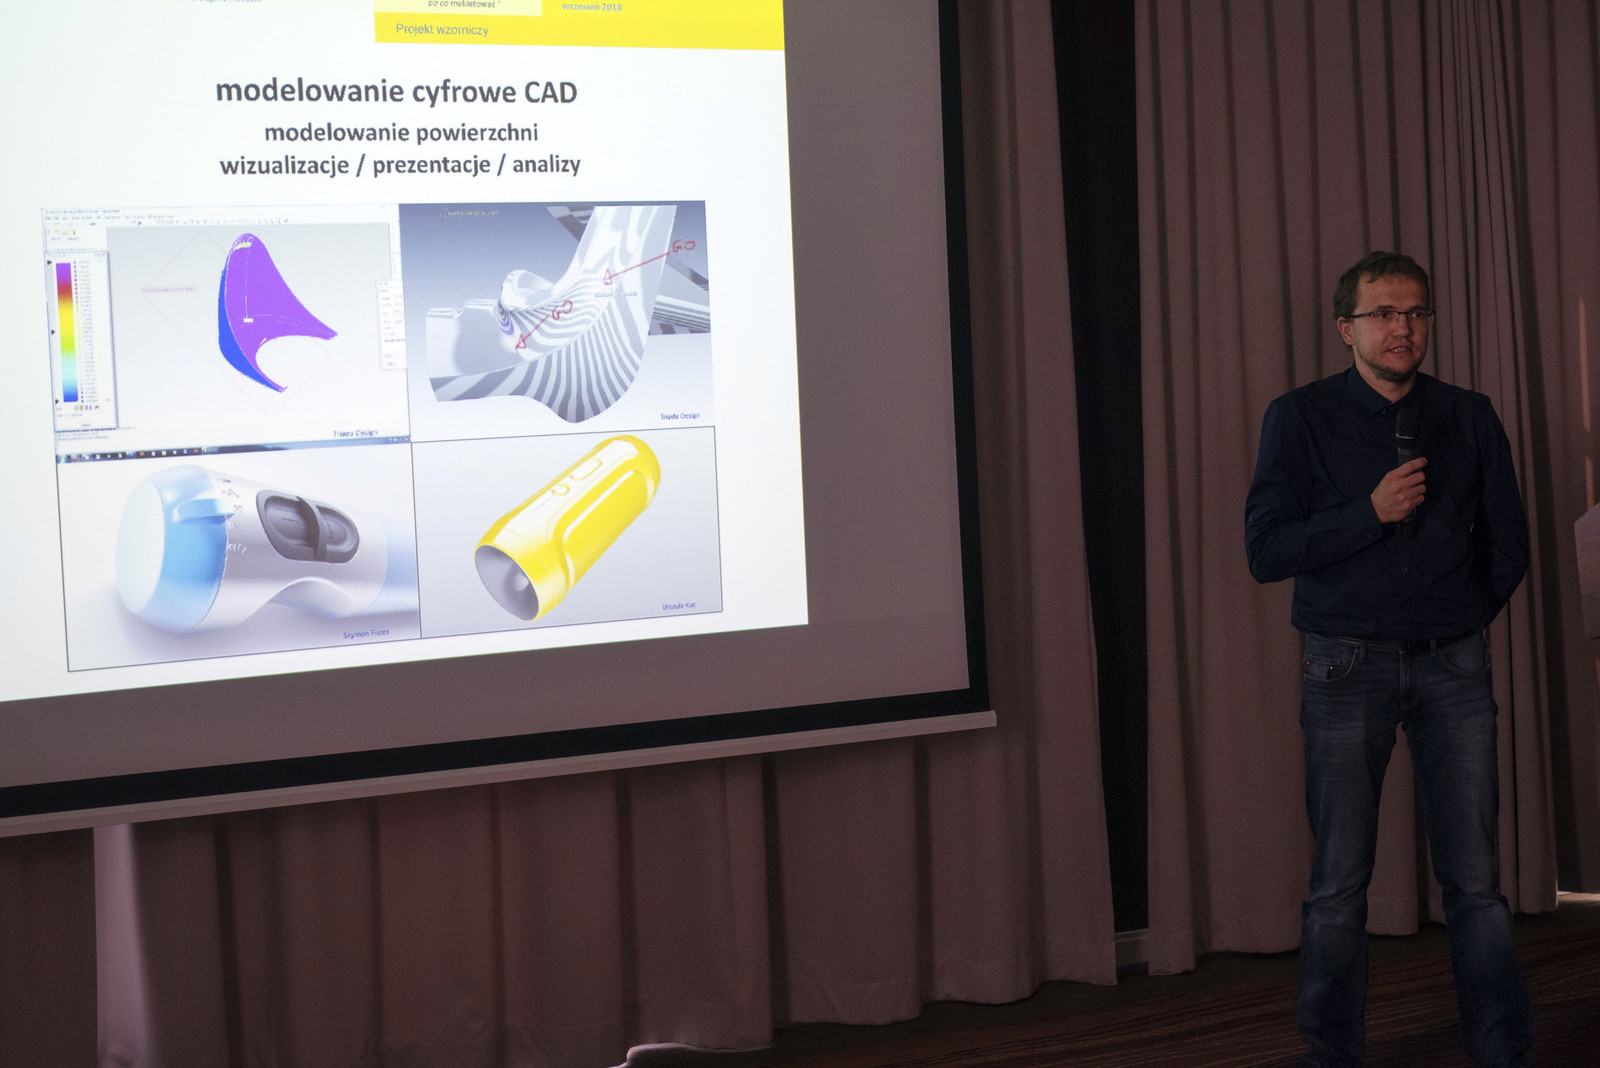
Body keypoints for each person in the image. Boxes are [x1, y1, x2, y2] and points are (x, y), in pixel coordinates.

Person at [1244, 251, 1535, 1067]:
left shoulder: (1469, 415)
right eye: (1382, 313)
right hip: (1344, 666)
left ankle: (1502, 1051)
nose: (1401, 328)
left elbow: (1508, 542)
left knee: (1475, 883)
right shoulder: (1298, 418)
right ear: (1347, 329)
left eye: (1415, 313)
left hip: (1455, 667)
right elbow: (1266, 550)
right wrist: (1367, 512)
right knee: (1339, 886)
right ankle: (1333, 1055)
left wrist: (1462, 618)